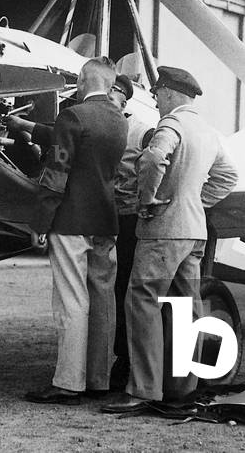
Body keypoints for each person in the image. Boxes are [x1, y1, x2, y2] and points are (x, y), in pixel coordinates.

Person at [102, 66, 238, 413]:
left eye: (158, 95)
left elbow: (152, 157)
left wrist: (148, 198)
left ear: (169, 94)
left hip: (163, 231)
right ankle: (182, 388)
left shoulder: (172, 124)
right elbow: (228, 176)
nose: (156, 101)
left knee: (142, 301)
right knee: (185, 306)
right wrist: (193, 200)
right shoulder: (207, 130)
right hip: (195, 232)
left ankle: (143, 390)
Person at [24, 57, 128, 405]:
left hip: (71, 220)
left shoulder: (73, 116)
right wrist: (27, 126)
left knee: (71, 300)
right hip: (105, 221)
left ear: (82, 80)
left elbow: (57, 173)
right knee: (102, 299)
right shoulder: (119, 120)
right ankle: (98, 379)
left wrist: (40, 222)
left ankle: (68, 383)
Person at [108, 73, 155, 391]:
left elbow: (155, 170)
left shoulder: (142, 130)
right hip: (100, 219)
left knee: (126, 289)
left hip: (127, 223)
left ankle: (125, 362)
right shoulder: (92, 122)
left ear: (123, 99)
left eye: (109, 95)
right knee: (106, 292)